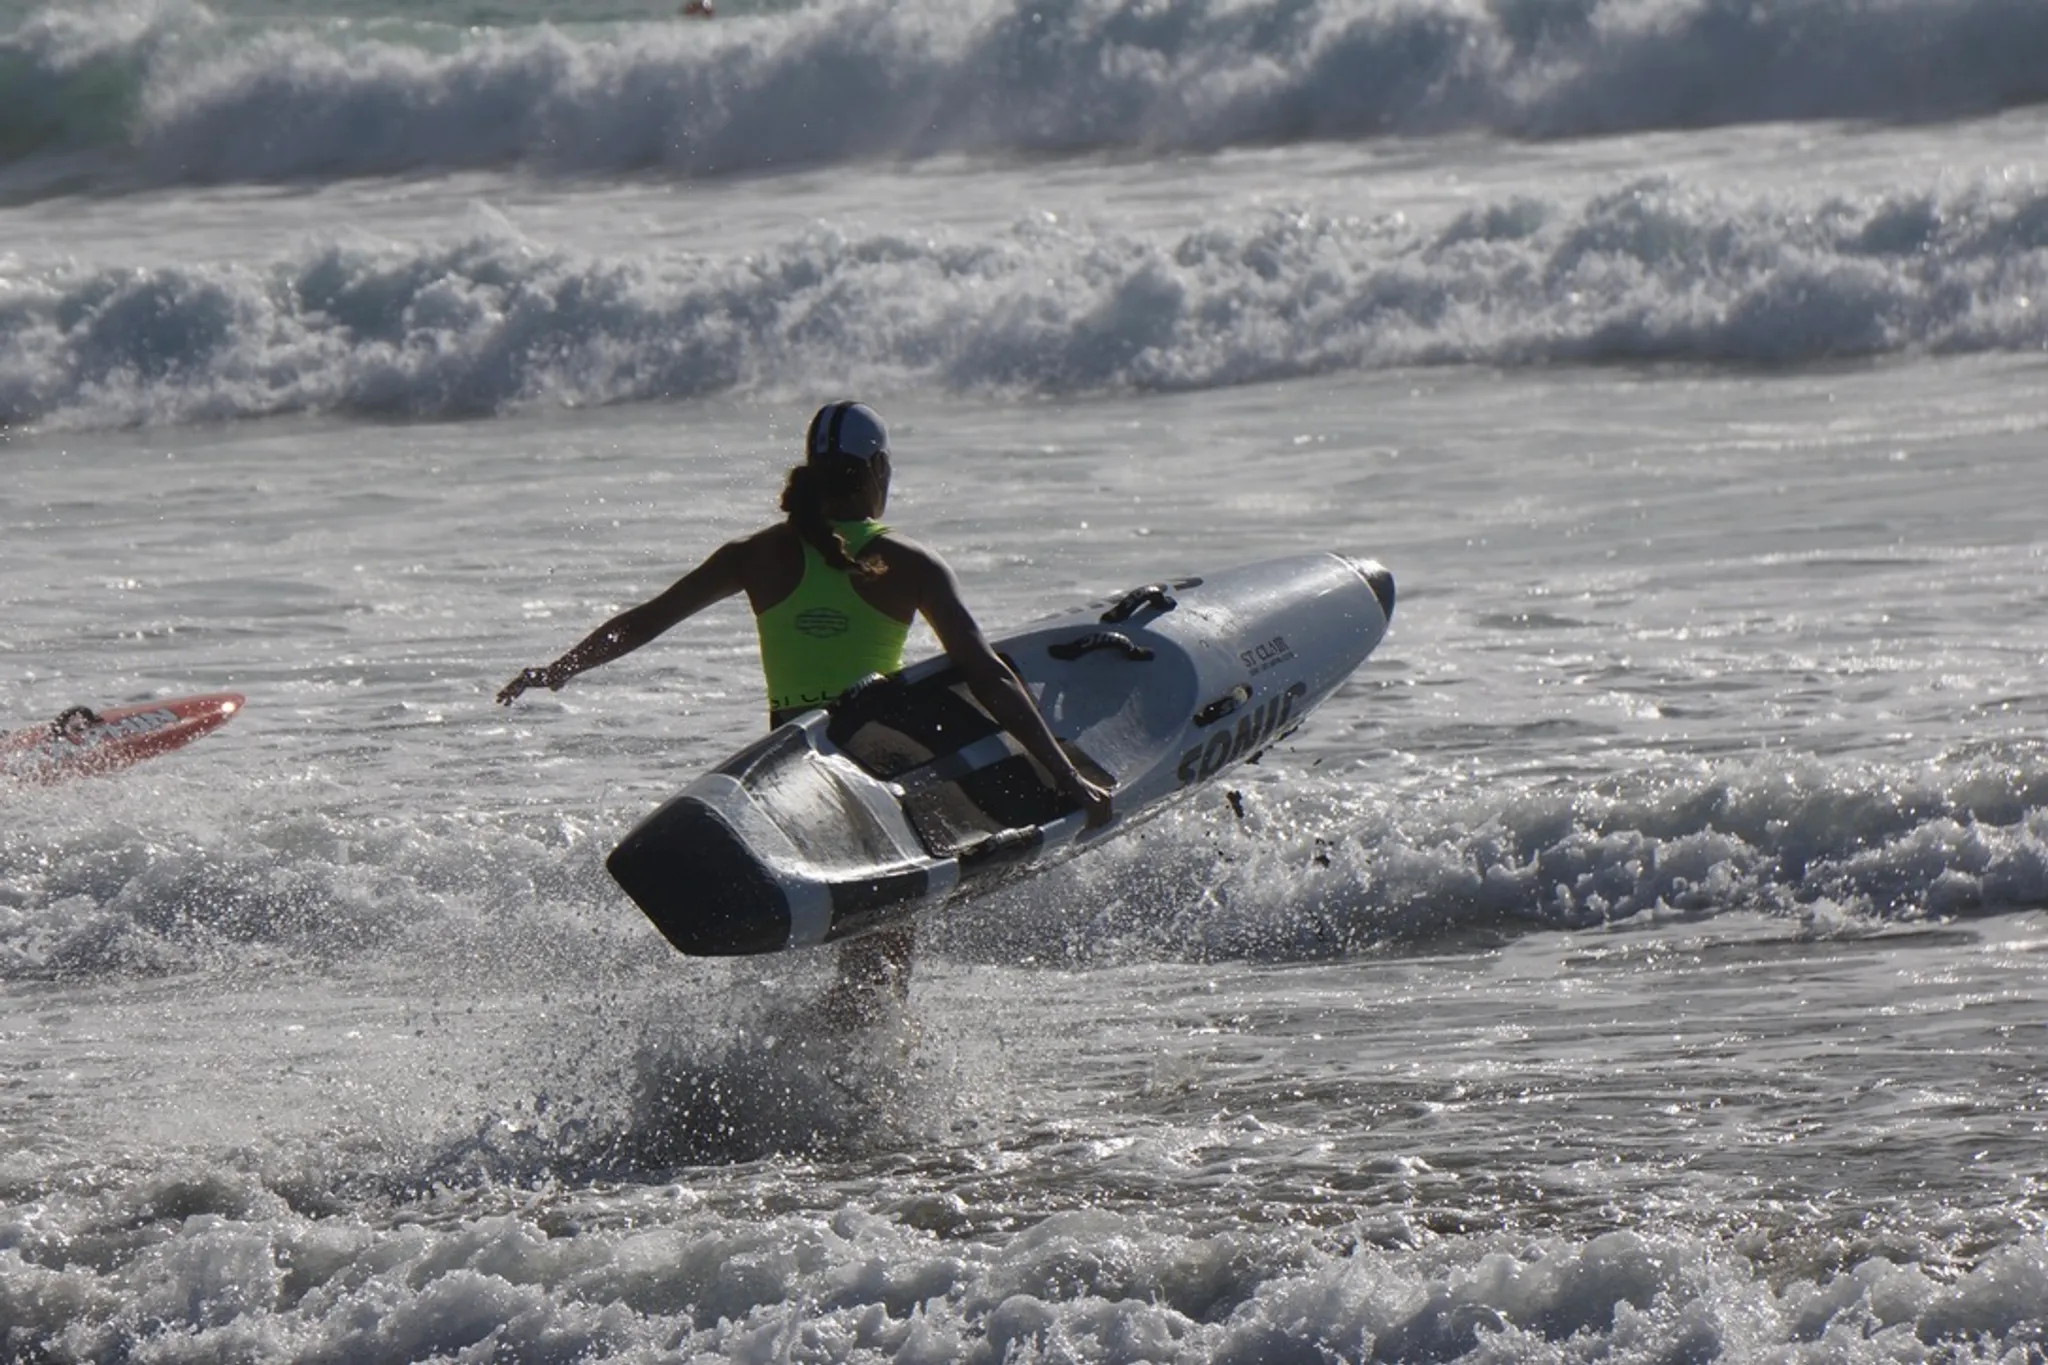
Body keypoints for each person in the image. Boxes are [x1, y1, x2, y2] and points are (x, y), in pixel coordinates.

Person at [498, 401, 1113, 1020]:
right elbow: (990, 676)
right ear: (878, 469)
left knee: (854, 949)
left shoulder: (754, 555)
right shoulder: (912, 562)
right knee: (883, 959)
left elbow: (645, 622)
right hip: (876, 765)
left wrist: (561, 670)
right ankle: (846, 1084)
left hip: (792, 771)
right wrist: (1066, 776)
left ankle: (790, 1062)